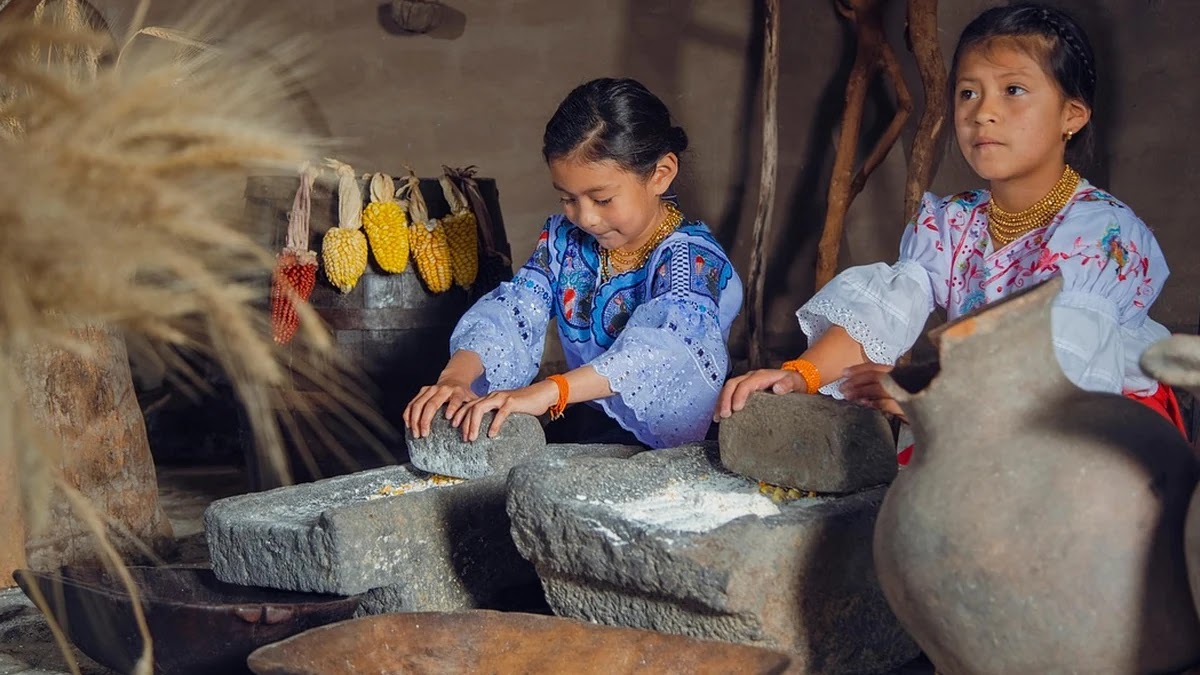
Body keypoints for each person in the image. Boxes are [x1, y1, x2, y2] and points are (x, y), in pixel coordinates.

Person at [715, 3, 1184, 461]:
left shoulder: (1101, 233)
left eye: (1014, 89)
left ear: (1072, 116)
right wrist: (802, 375)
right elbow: (885, 313)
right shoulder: (953, 221)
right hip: (982, 409)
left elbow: (1062, 371)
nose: (983, 113)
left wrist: (934, 399)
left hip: (1092, 426)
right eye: (968, 92)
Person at [405, 77, 743, 448]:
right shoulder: (564, 241)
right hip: (588, 423)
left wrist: (551, 391)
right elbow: (512, 311)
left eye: (602, 199)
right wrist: (456, 377)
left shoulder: (690, 260)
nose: (586, 218)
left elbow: (666, 351)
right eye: (568, 199)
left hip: (668, 442)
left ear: (660, 174)